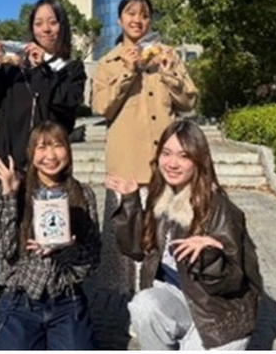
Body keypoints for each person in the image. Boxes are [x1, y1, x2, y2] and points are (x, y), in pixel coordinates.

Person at [106, 119, 263, 351]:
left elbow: (233, 282)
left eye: (184, 156)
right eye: (166, 153)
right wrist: (130, 202)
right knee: (143, 305)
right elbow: (136, 250)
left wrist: (210, 254)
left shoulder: (219, 208)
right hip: (177, 297)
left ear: (198, 161)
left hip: (216, 310)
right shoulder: (161, 198)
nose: (172, 163)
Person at [0, 0, 87, 305]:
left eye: (52, 22)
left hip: (49, 162)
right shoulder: (16, 67)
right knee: (8, 222)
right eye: (39, 23)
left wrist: (47, 67)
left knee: (48, 222)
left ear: (62, 26)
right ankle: (7, 295)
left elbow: (67, 104)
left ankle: (51, 292)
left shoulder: (70, 68)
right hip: (10, 158)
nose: (45, 29)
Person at [0, 121, 101, 350]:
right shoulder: (16, 190)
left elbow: (93, 257)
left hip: (67, 302)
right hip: (19, 302)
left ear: (68, 150)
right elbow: (1, 248)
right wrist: (9, 195)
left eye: (58, 146)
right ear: (31, 152)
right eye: (42, 147)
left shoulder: (82, 194)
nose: (50, 155)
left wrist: (66, 249)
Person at [92, 0, 198, 190]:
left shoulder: (168, 56)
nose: (137, 20)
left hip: (168, 171)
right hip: (126, 173)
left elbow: (189, 103)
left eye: (145, 15)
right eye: (131, 13)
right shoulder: (107, 64)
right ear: (119, 20)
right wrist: (127, 72)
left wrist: (168, 74)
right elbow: (101, 108)